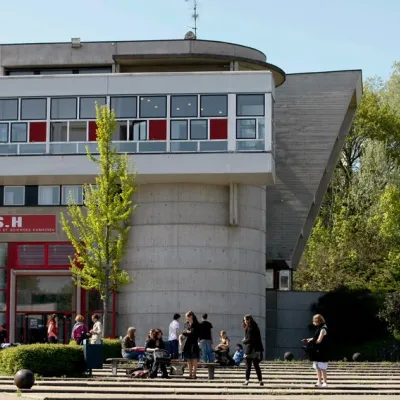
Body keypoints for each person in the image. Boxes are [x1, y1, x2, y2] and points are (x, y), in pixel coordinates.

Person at [303, 314, 329, 388]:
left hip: (322, 350)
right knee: (317, 367)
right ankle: (319, 382)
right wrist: (308, 339)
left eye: (315, 321)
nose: (314, 323)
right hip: (317, 350)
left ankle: (325, 383)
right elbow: (315, 338)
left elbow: (319, 341)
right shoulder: (319, 328)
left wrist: (310, 342)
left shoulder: (323, 329)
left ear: (319, 321)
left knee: (322, 367)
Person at [242, 314, 264, 386]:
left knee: (248, 366)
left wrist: (244, 341)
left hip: (250, 350)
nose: (244, 321)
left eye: (245, 320)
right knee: (256, 365)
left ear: (248, 320)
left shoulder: (250, 328)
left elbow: (250, 339)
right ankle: (260, 381)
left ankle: (247, 381)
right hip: (256, 349)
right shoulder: (256, 327)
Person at [182, 311, 200, 379]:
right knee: (188, 360)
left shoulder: (196, 324)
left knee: (194, 359)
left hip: (193, 343)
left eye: (187, 317)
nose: (186, 318)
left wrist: (188, 332)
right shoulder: (187, 324)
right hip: (187, 344)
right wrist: (188, 332)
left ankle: (194, 375)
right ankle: (190, 374)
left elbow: (194, 333)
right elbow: (184, 332)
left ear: (191, 316)